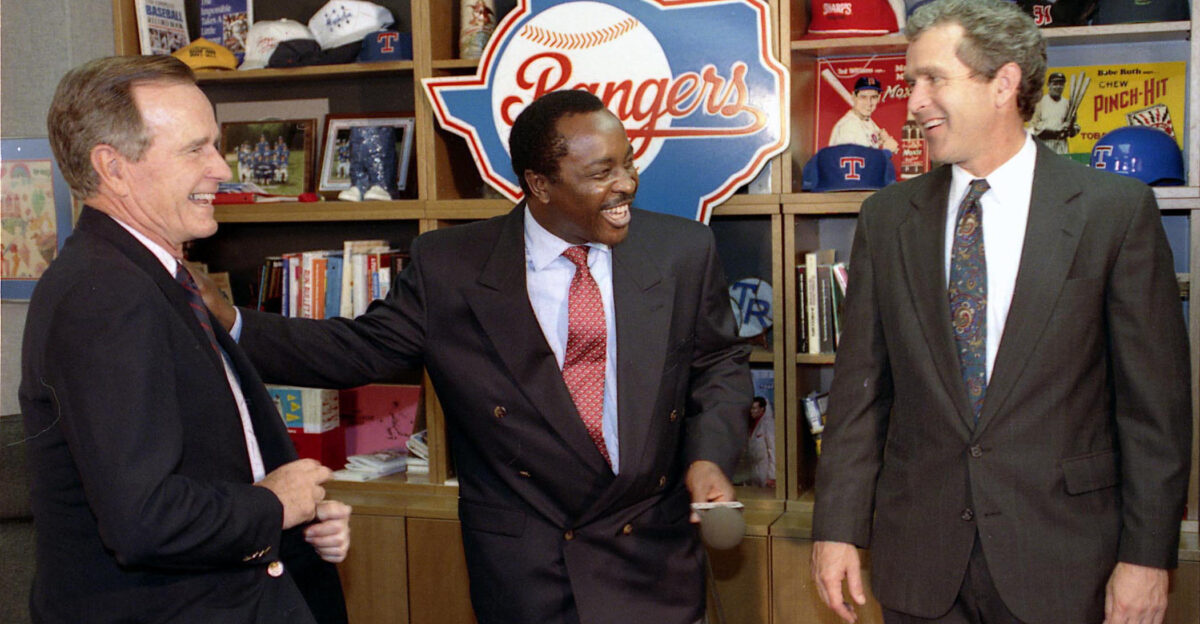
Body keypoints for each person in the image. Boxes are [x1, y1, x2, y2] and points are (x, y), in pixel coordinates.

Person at [207, 88, 751, 624]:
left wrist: (708, 458)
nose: (625, 184)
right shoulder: (451, 265)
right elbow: (358, 351)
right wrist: (233, 323)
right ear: (539, 184)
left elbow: (717, 365)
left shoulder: (681, 249)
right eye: (601, 173)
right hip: (528, 567)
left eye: (628, 163)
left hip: (652, 556)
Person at [809, 1, 1192, 623]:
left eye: (934, 79)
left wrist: (1147, 557)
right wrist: (837, 529)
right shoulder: (887, 219)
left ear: (1004, 84)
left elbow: (1155, 409)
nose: (913, 102)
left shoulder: (1111, 213)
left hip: (1066, 562)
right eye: (912, 82)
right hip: (919, 564)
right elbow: (859, 395)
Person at [21, 55, 352, 623]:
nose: (222, 168)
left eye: (216, 146)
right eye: (195, 149)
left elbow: (207, 463)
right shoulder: (105, 294)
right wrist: (273, 505)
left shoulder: (154, 277)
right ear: (114, 167)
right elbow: (144, 517)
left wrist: (295, 520)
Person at [828, 76, 900, 153]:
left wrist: (883, 140)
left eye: (873, 97)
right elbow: (864, 162)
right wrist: (887, 151)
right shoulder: (849, 126)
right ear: (853, 96)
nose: (869, 103)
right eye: (863, 97)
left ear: (879, 98)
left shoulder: (865, 120)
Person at [1029, 71, 1078, 154]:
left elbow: (1074, 128)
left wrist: (1070, 129)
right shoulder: (1040, 103)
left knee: (1062, 166)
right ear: (1049, 85)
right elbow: (1033, 128)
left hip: (1061, 145)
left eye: (1061, 84)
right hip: (1044, 144)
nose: (1058, 87)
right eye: (1055, 84)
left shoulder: (1068, 104)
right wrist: (1053, 131)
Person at [744, 397, 775, 487]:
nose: (751, 411)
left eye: (754, 408)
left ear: (762, 409)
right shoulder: (753, 424)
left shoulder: (769, 424)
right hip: (755, 470)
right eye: (751, 408)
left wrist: (772, 475)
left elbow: (773, 449)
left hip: (766, 470)